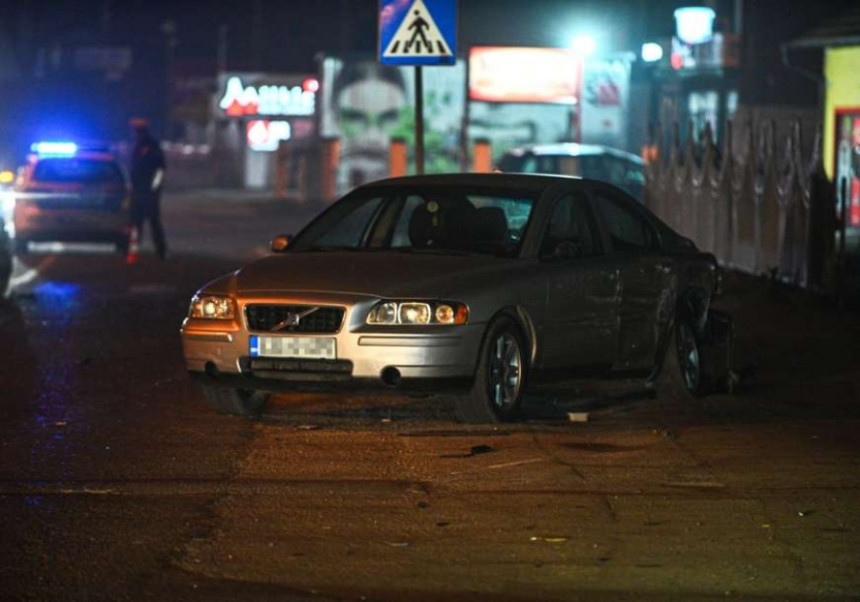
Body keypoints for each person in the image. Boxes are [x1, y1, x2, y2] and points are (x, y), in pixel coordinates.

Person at [129, 118, 168, 259]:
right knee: (136, 223)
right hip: (138, 190)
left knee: (153, 222)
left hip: (149, 191)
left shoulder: (152, 145)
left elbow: (160, 169)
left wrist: (154, 188)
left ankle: (161, 251)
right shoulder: (136, 145)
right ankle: (133, 250)